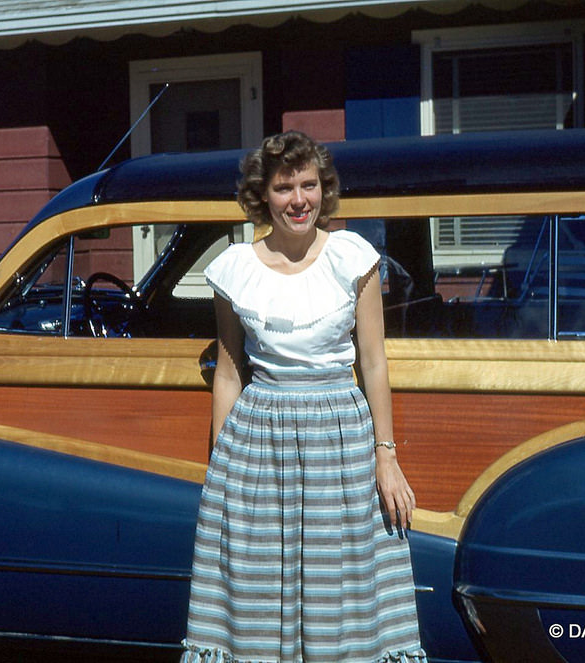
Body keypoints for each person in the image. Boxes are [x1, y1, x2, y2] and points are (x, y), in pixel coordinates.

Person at [180, 131, 427, 663]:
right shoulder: (235, 268)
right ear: (262, 195)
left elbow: (374, 362)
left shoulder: (352, 258)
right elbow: (229, 372)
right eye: (284, 187)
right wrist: (220, 469)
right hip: (259, 440)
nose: (299, 200)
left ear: (324, 189)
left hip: (338, 437)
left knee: (342, 585)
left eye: (309, 185)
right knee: (256, 583)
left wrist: (386, 456)